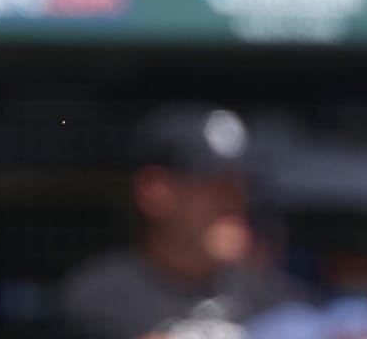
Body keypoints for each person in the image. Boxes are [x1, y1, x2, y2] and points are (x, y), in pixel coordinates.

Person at [58, 106, 310, 339]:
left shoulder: (275, 296)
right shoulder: (101, 297)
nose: (235, 201)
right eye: (215, 184)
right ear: (153, 191)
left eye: (241, 184)